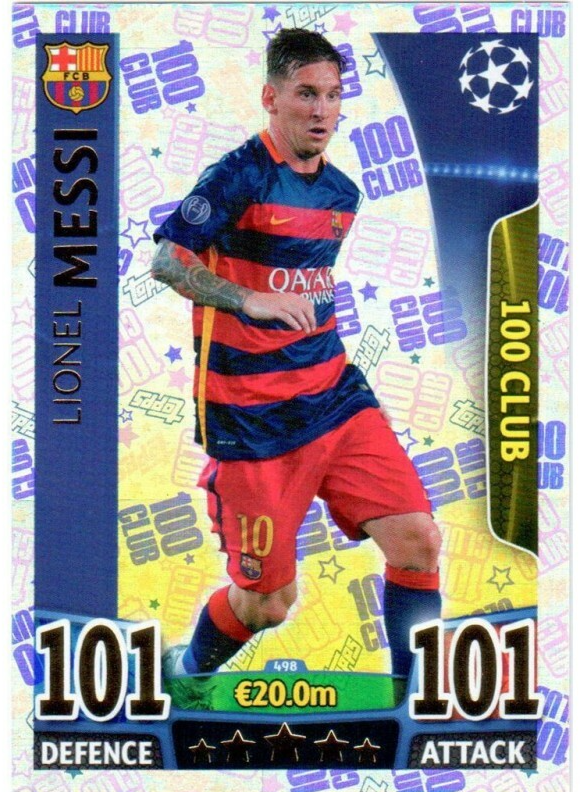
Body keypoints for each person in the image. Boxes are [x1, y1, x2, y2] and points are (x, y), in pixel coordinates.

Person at [151, 28, 442, 683]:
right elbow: (167, 260)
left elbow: (304, 282)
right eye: (306, 93)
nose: (322, 110)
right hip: (254, 420)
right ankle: (185, 674)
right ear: (271, 98)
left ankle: (412, 703)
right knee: (268, 604)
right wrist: (245, 299)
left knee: (418, 540)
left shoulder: (342, 194)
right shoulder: (238, 176)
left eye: (333, 95)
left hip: (335, 398)